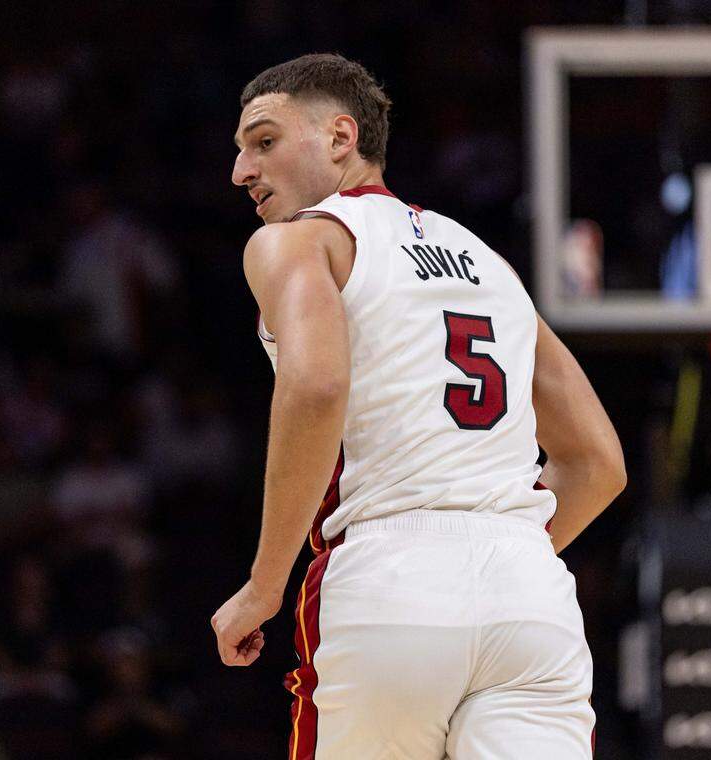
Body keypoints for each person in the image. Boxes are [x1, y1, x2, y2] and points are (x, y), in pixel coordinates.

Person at [209, 54, 625, 759]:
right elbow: (597, 464)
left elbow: (317, 387)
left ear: (341, 137)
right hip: (529, 592)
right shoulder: (489, 263)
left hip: (388, 578)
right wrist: (492, 559)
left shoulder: (298, 240)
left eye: (264, 141)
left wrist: (264, 585)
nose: (240, 171)